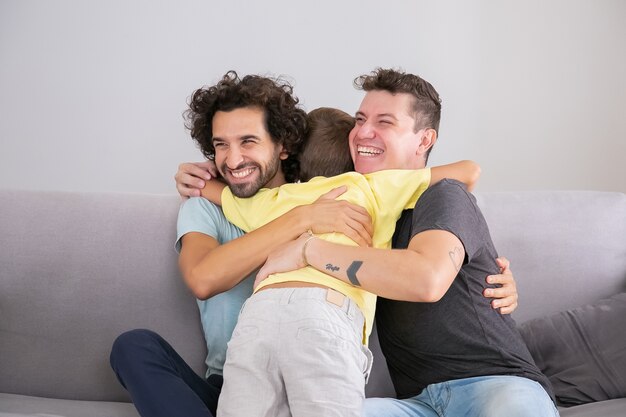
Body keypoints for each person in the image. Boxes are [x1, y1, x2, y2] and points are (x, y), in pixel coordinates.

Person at [254, 68, 559, 417]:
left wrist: (308, 250)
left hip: (494, 385)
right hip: (417, 405)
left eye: (384, 122)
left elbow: (425, 279)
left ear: (424, 140)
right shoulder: (347, 211)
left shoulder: (443, 195)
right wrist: (202, 178)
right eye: (360, 119)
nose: (363, 133)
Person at [198, 105, 481, 416]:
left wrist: (196, 174)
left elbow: (210, 190)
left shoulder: (273, 199)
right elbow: (468, 172)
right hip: (325, 310)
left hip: (258, 313)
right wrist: (399, 179)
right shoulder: (372, 187)